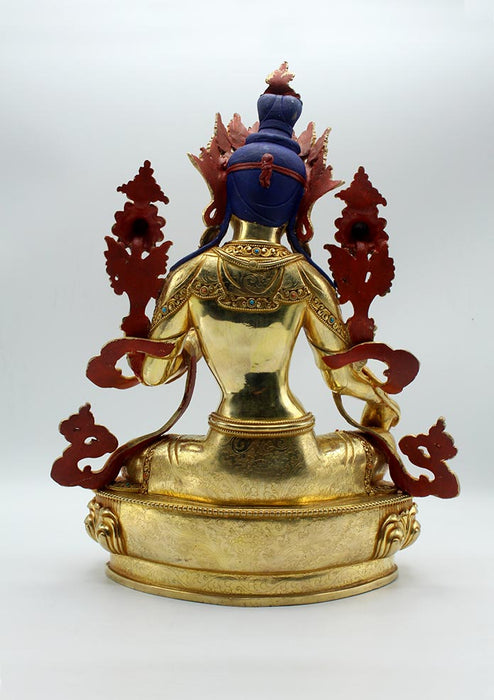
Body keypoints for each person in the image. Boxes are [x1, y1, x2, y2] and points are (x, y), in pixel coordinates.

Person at [122, 89, 399, 503]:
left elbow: (152, 374)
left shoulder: (191, 274)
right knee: (371, 457)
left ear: (226, 193)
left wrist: (193, 343)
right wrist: (382, 407)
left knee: (137, 463)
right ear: (299, 206)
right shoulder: (306, 278)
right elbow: (341, 377)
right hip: (297, 456)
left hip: (217, 455)